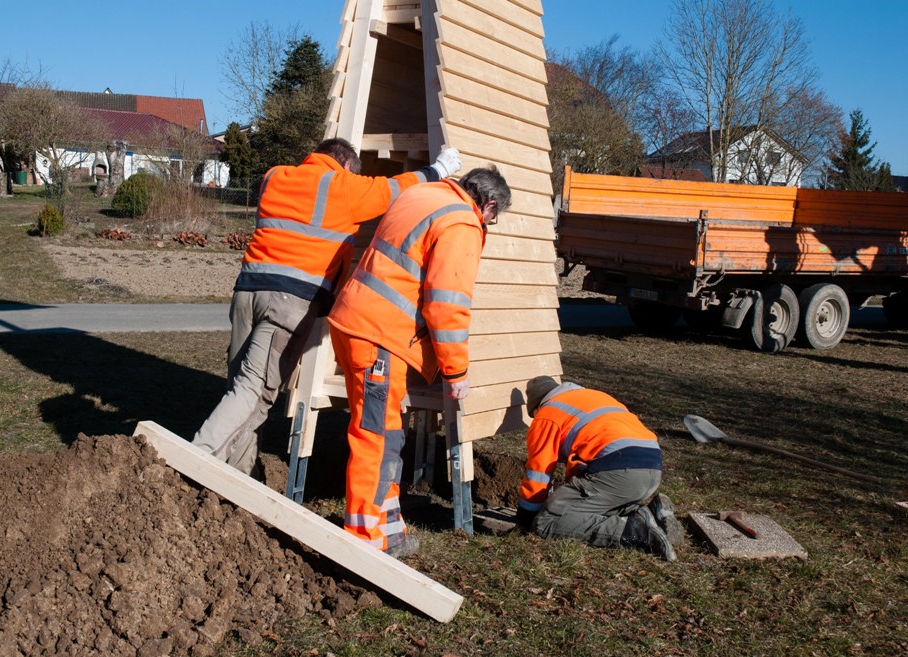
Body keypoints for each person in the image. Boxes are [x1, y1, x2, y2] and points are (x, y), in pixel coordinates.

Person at [192, 138, 463, 475]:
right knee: (255, 391)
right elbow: (394, 189)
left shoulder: (274, 176)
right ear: (347, 165)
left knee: (242, 390)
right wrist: (439, 169)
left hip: (248, 291)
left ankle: (235, 477)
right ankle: (196, 459)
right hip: (289, 302)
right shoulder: (342, 186)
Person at [327, 166, 512, 557]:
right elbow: (448, 304)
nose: (489, 226)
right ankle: (362, 540)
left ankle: (389, 532)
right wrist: (455, 371)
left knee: (387, 431)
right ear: (488, 205)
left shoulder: (423, 196)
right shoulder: (462, 221)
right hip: (380, 335)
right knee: (376, 438)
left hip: (355, 324)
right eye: (493, 219)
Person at [515, 376, 683, 561]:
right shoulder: (595, 397)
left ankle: (636, 531)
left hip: (618, 471)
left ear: (537, 407)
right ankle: (650, 515)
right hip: (652, 467)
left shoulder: (547, 414)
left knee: (547, 520)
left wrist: (526, 518)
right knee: (589, 507)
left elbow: (538, 475)